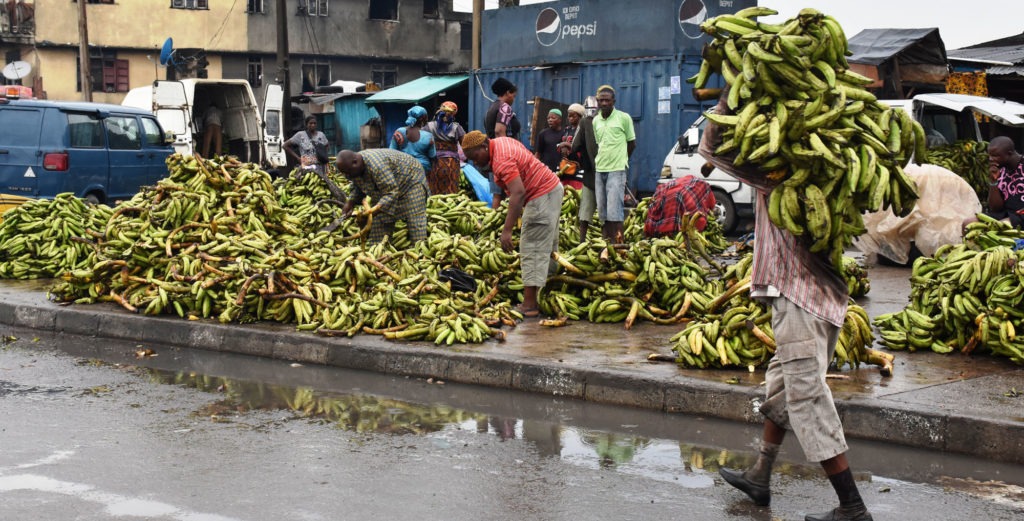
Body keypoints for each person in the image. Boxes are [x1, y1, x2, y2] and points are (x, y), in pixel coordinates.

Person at [699, 93, 873, 521]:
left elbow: (711, 147)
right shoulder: (828, 175)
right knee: (781, 387)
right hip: (818, 297)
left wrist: (729, 95)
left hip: (800, 297)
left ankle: (852, 506)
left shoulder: (780, 175)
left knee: (807, 396)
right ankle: (761, 474)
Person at [461, 130, 563, 318]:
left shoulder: (501, 160)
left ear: (484, 146)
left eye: (475, 156)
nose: (475, 162)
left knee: (531, 247)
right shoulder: (502, 142)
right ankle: (550, 291)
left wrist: (506, 231)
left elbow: (518, 193)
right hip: (552, 188)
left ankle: (530, 305)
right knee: (546, 246)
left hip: (540, 195)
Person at [336, 149, 430, 245]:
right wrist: (350, 202)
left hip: (411, 180)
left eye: (348, 172)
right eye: (344, 173)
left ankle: (421, 252)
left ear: (355, 162)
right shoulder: (352, 169)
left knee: (414, 220)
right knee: (379, 223)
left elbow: (391, 192)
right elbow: (358, 186)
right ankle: (378, 250)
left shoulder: (377, 166)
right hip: (387, 186)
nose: (347, 176)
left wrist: (371, 213)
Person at [592, 85, 636, 243]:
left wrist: (623, 161)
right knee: (603, 213)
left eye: (607, 100)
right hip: (600, 169)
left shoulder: (623, 118)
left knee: (614, 211)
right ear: (597, 102)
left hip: (616, 170)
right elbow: (599, 144)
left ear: (613, 101)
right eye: (601, 100)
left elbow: (632, 143)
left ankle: (618, 245)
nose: (604, 103)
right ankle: (605, 245)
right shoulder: (596, 120)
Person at [483, 77, 521, 209]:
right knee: (513, 192)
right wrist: (507, 155)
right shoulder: (505, 107)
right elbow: (499, 131)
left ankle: (494, 224)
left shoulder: (491, 108)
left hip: (493, 154)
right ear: (507, 93)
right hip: (504, 155)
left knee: (497, 195)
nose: (513, 99)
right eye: (513, 95)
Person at [570, 96, 600, 240]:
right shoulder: (608, 121)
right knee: (608, 213)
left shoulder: (584, 122)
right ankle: (609, 241)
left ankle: (582, 241)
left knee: (585, 211)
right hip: (608, 171)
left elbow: (575, 145)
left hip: (590, 173)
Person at [422, 101, 466, 195]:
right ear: (454, 113)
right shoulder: (456, 127)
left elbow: (422, 142)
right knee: (451, 190)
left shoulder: (429, 126)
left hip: (434, 162)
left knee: (434, 188)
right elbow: (465, 144)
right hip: (451, 164)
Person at [983, 136, 1024, 227]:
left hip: (1021, 216)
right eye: (989, 155)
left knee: (996, 227)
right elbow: (995, 209)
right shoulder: (1000, 170)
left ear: (1009, 154)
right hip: (1007, 214)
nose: (990, 159)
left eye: (995, 156)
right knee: (968, 223)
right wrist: (993, 181)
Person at [390, 105, 436, 180]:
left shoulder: (399, 132)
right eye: (426, 117)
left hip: (403, 168)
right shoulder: (428, 136)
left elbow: (391, 151)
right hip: (422, 170)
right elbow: (432, 156)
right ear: (422, 118)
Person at [555, 103, 586, 191]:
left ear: (580, 116)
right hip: (565, 166)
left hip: (578, 166)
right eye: (569, 116)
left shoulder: (583, 130)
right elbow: (558, 145)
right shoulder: (567, 130)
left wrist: (567, 145)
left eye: (573, 116)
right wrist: (561, 147)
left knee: (576, 192)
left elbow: (584, 146)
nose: (570, 118)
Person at [534, 108, 565, 173]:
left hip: (561, 169)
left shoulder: (565, 133)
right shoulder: (543, 134)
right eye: (548, 118)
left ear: (560, 120)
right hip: (546, 170)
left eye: (553, 118)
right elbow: (538, 153)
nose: (550, 120)